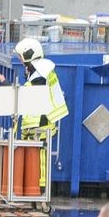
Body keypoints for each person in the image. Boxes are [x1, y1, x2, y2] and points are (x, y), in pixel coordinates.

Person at [13, 38, 68, 196]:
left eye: (21, 57)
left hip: (41, 124)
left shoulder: (40, 74)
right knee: (34, 157)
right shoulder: (39, 71)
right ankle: (35, 189)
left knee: (39, 160)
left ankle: (39, 191)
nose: (20, 60)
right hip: (35, 124)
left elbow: (33, 95)